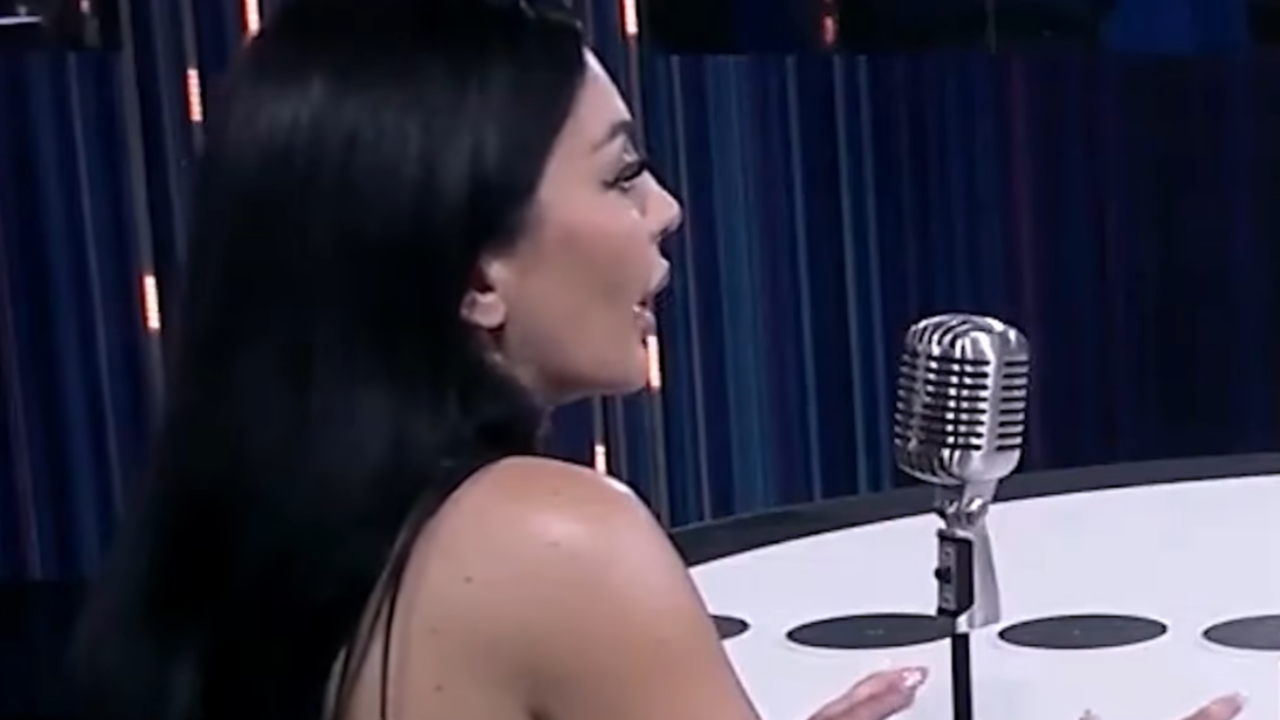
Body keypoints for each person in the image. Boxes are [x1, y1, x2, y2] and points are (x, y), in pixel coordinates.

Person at [69, 1, 1249, 720]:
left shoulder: (228, 540)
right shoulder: (553, 539)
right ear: (475, 271)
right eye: (622, 174)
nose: (667, 209)